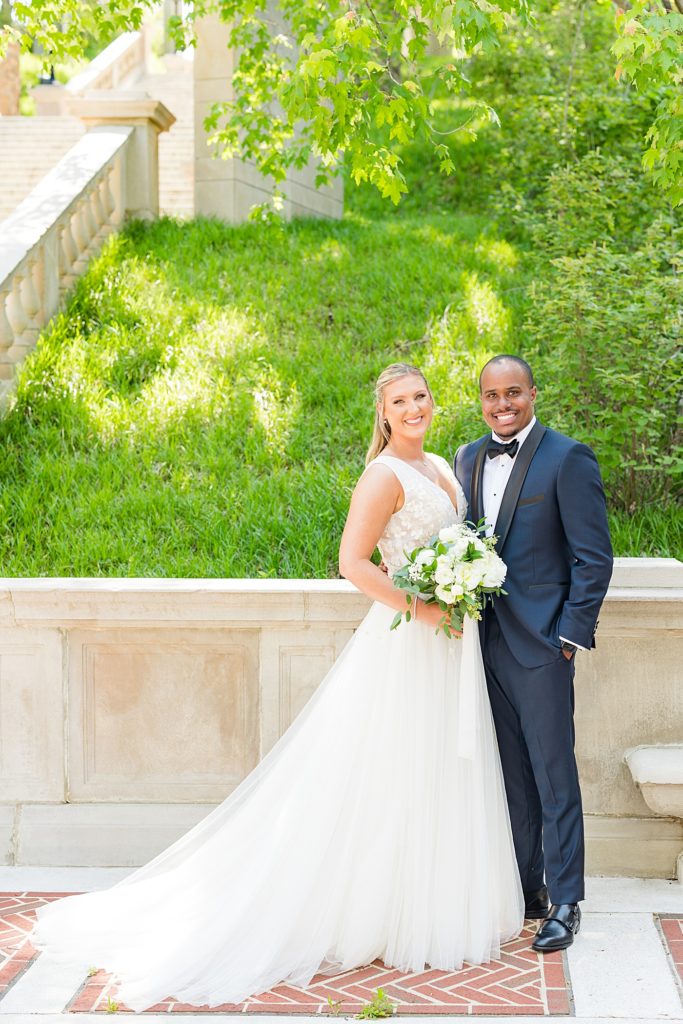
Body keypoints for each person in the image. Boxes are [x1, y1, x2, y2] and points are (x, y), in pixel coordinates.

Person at [33, 362, 523, 1012]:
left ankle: (424, 902)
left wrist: (462, 584)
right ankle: (370, 912)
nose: (413, 408)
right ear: (382, 414)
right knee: (390, 769)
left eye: (420, 396)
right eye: (399, 401)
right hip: (408, 640)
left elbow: (442, 545)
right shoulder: (382, 476)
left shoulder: (439, 463)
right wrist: (423, 607)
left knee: (434, 769)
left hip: (448, 647)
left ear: (433, 402)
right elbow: (352, 562)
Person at [454, 354, 613, 954]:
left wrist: (568, 637)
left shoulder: (567, 457)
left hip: (545, 645)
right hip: (484, 642)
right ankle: (527, 890)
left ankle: (567, 900)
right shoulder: (468, 458)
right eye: (492, 396)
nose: (502, 405)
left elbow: (593, 557)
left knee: (553, 775)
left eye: (513, 393)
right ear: (482, 401)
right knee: (512, 778)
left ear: (532, 394)